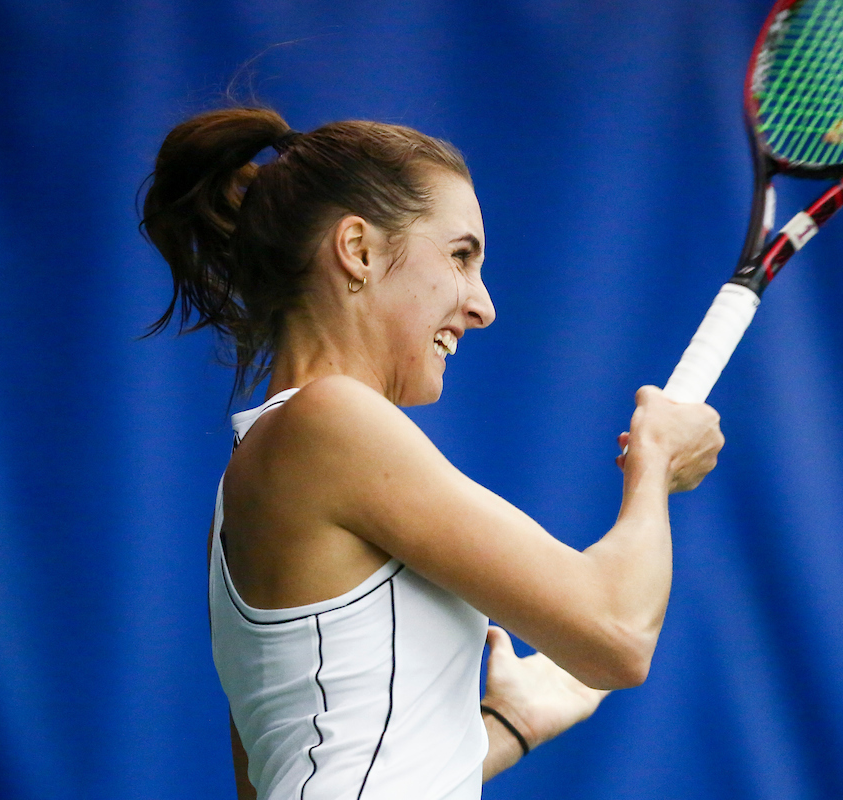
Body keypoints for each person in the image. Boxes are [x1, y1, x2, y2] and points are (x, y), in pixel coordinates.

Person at [141, 105, 724, 800]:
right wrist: (655, 462)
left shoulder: (256, 475)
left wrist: (508, 725)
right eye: (460, 255)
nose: (483, 306)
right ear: (356, 249)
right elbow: (617, 633)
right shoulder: (329, 421)